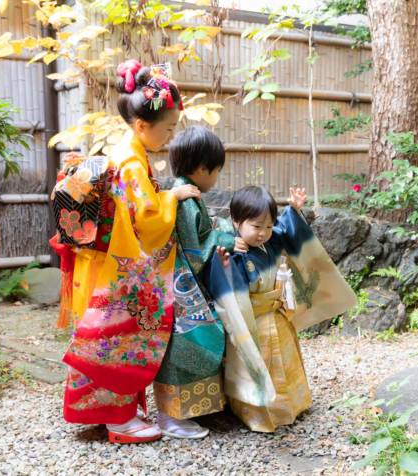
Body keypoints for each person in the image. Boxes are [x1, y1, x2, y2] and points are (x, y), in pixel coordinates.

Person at [52, 59, 200, 443]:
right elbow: (147, 221)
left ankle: (116, 412)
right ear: (141, 126)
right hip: (118, 265)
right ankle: (118, 420)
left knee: (107, 335)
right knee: (118, 335)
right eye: (167, 128)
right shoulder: (132, 161)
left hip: (107, 258)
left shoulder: (129, 151)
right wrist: (172, 195)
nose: (169, 136)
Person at [204, 186, 357, 432]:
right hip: (254, 322)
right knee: (258, 364)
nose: (264, 233)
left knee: (286, 360)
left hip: (276, 314)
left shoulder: (272, 240)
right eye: (256, 226)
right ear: (236, 221)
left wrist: (294, 209)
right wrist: (224, 268)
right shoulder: (235, 254)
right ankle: (260, 414)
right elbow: (227, 294)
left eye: (268, 225)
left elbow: (286, 230)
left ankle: (293, 404)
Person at [153, 125, 247, 438]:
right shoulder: (186, 200)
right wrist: (229, 240)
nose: (216, 178)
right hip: (183, 284)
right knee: (191, 343)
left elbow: (201, 234)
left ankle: (196, 411)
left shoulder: (182, 192)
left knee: (191, 344)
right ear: (202, 168)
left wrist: (221, 231)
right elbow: (196, 251)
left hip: (178, 281)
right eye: (216, 171)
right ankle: (173, 416)